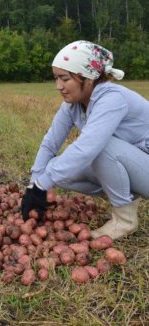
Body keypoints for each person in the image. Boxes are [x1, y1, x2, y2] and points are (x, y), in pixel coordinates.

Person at [21, 40, 149, 240]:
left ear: (87, 78)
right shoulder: (74, 105)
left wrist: (42, 184)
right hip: (136, 164)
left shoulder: (112, 98)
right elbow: (50, 143)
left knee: (100, 147)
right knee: (53, 167)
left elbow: (88, 147)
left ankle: (124, 220)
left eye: (64, 78)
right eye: (56, 78)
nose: (58, 86)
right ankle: (125, 195)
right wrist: (34, 184)